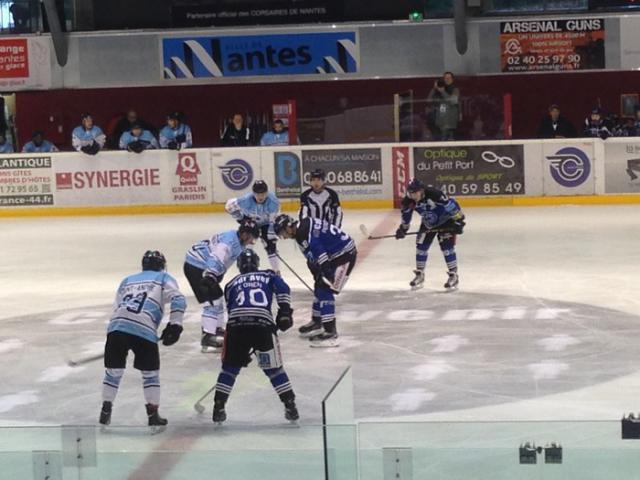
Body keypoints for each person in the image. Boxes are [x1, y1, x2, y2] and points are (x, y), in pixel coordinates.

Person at [99, 251, 186, 431]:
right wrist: (175, 325)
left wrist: (117, 333)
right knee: (150, 374)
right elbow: (178, 299)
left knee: (113, 372)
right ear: (161, 265)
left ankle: (106, 409)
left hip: (116, 327)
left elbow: (116, 308)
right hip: (144, 328)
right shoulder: (163, 277)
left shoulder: (127, 280)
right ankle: (153, 415)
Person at [211, 249, 298, 424]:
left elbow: (233, 308)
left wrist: (241, 349)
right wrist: (285, 312)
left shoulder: (231, 283)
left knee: (229, 368)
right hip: (262, 326)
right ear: (257, 263)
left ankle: (218, 407)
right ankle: (290, 405)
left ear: (239, 266)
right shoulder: (268, 276)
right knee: (274, 369)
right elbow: (283, 289)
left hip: (236, 327)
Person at [273, 214, 357, 347]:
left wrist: (327, 273)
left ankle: (330, 330)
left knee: (325, 289)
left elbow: (320, 252)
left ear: (288, 227)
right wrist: (317, 273)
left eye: (283, 232)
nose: (284, 237)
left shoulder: (303, 232)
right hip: (335, 256)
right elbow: (312, 257)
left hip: (344, 255)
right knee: (319, 285)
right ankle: (317, 321)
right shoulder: (302, 229)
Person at [183, 218, 260, 352]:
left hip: (201, 266)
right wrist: (211, 274)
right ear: (245, 234)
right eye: (251, 237)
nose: (251, 241)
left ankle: (216, 329)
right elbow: (217, 257)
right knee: (212, 300)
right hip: (197, 267)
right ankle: (208, 334)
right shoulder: (228, 242)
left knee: (218, 297)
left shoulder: (237, 240)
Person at [395, 179, 465, 291]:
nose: (413, 195)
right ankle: (420, 274)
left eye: (415, 192)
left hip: (446, 221)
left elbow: (451, 204)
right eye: (411, 192)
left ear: (421, 190)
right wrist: (403, 229)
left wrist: (459, 220)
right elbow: (406, 216)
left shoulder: (434, 194)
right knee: (421, 246)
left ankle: (453, 275)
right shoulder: (408, 201)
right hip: (428, 223)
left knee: (447, 248)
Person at [225, 180, 281, 272]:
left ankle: (276, 271)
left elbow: (273, 220)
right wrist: (240, 218)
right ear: (253, 193)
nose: (260, 196)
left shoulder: (273, 202)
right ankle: (246, 270)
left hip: (266, 223)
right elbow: (228, 206)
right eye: (258, 194)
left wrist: (271, 235)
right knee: (247, 245)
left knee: (271, 247)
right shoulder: (246, 200)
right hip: (250, 221)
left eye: (263, 193)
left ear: (266, 193)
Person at [426, 71, 460, 141]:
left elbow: (453, 101)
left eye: (449, 78)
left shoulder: (455, 90)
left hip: (450, 124)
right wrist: (434, 89)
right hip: (439, 124)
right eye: (445, 78)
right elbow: (428, 101)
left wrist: (443, 92)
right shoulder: (438, 91)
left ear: (452, 79)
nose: (447, 79)